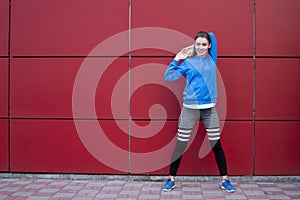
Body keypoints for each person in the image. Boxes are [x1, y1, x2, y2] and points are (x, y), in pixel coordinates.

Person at [162, 31, 236, 193]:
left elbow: (212, 35)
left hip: (209, 110)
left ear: (209, 46)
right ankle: (171, 179)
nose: (201, 47)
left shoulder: (212, 58)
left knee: (216, 145)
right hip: (189, 109)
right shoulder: (188, 63)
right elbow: (168, 77)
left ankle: (225, 180)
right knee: (180, 145)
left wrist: (195, 46)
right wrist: (179, 56)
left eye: (204, 44)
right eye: (198, 44)